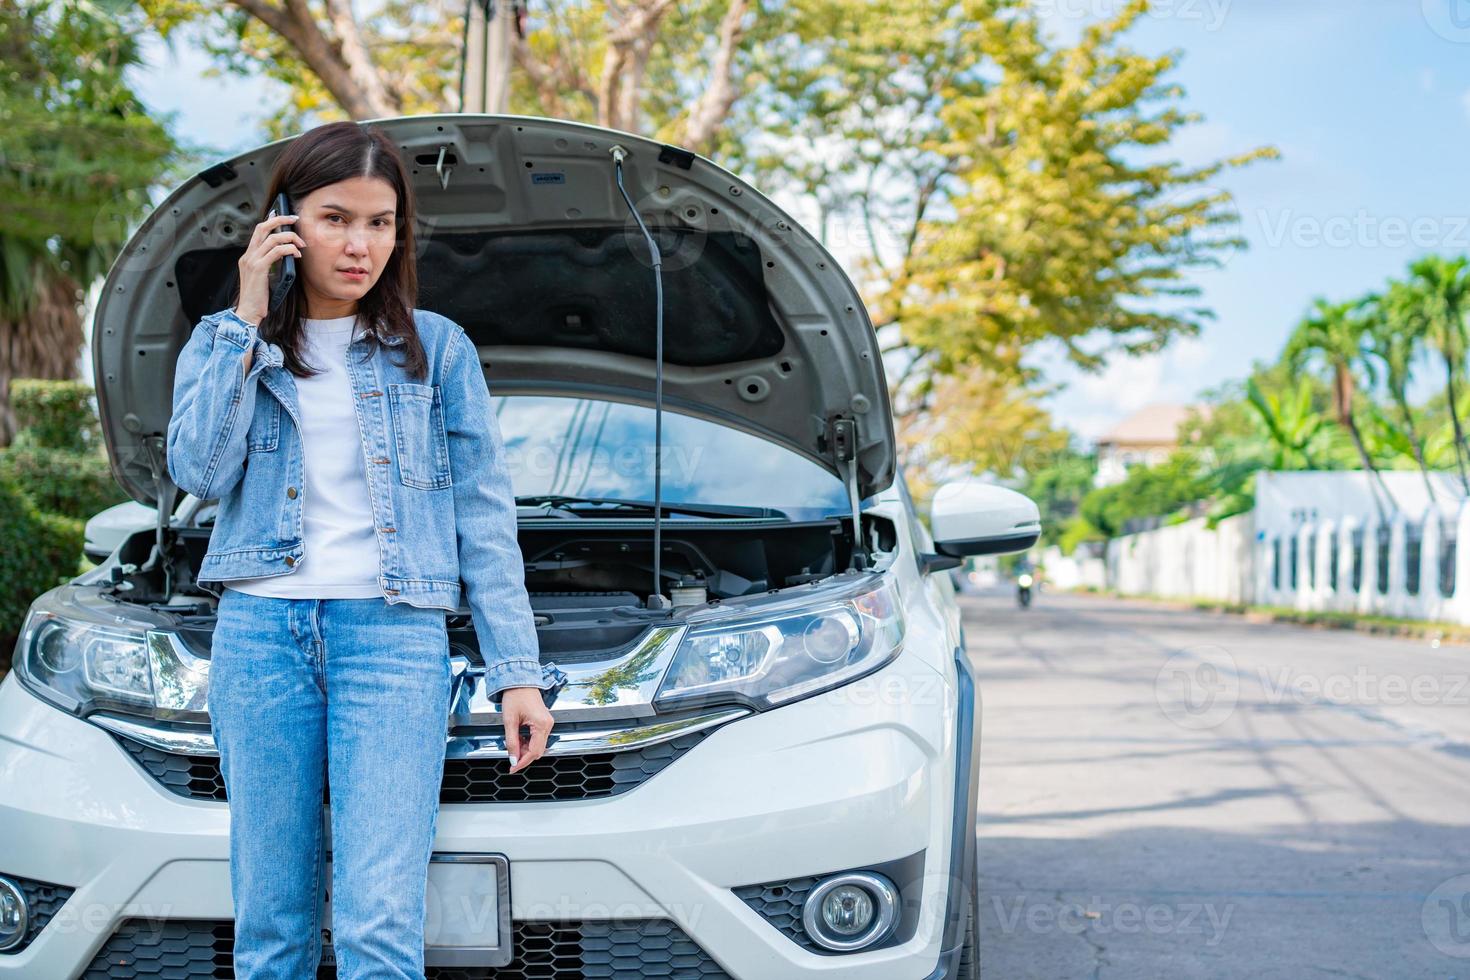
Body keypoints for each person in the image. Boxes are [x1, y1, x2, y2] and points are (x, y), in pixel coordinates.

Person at [165, 120, 560, 977]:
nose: (359, 244)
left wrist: (516, 671)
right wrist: (245, 317)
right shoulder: (227, 342)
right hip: (260, 638)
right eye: (336, 217)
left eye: (380, 223)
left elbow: (484, 518)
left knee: (381, 924)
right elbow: (197, 468)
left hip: (393, 639)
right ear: (285, 223)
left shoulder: (437, 349)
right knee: (272, 926)